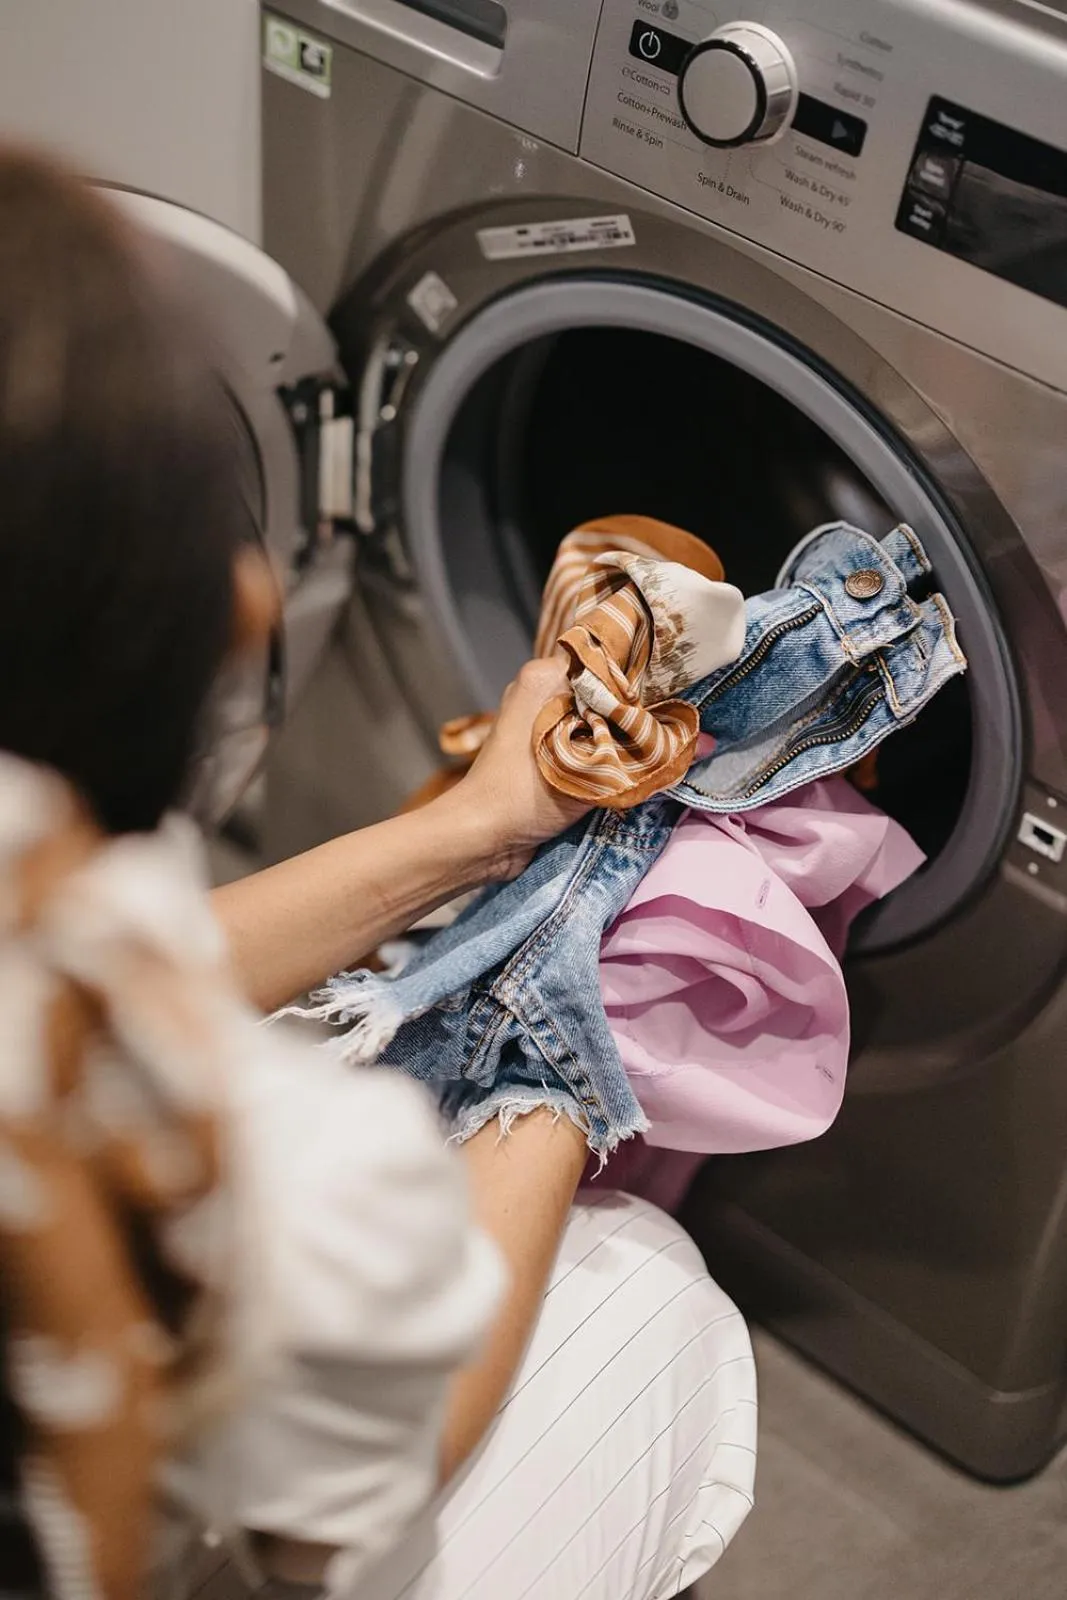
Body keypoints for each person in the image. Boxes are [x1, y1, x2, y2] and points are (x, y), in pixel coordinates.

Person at [0, 150, 756, 1600]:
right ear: (242, 622)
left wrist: (471, 836)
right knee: (643, 1288)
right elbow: (335, 1522)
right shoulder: (257, 1180)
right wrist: (557, 1033)